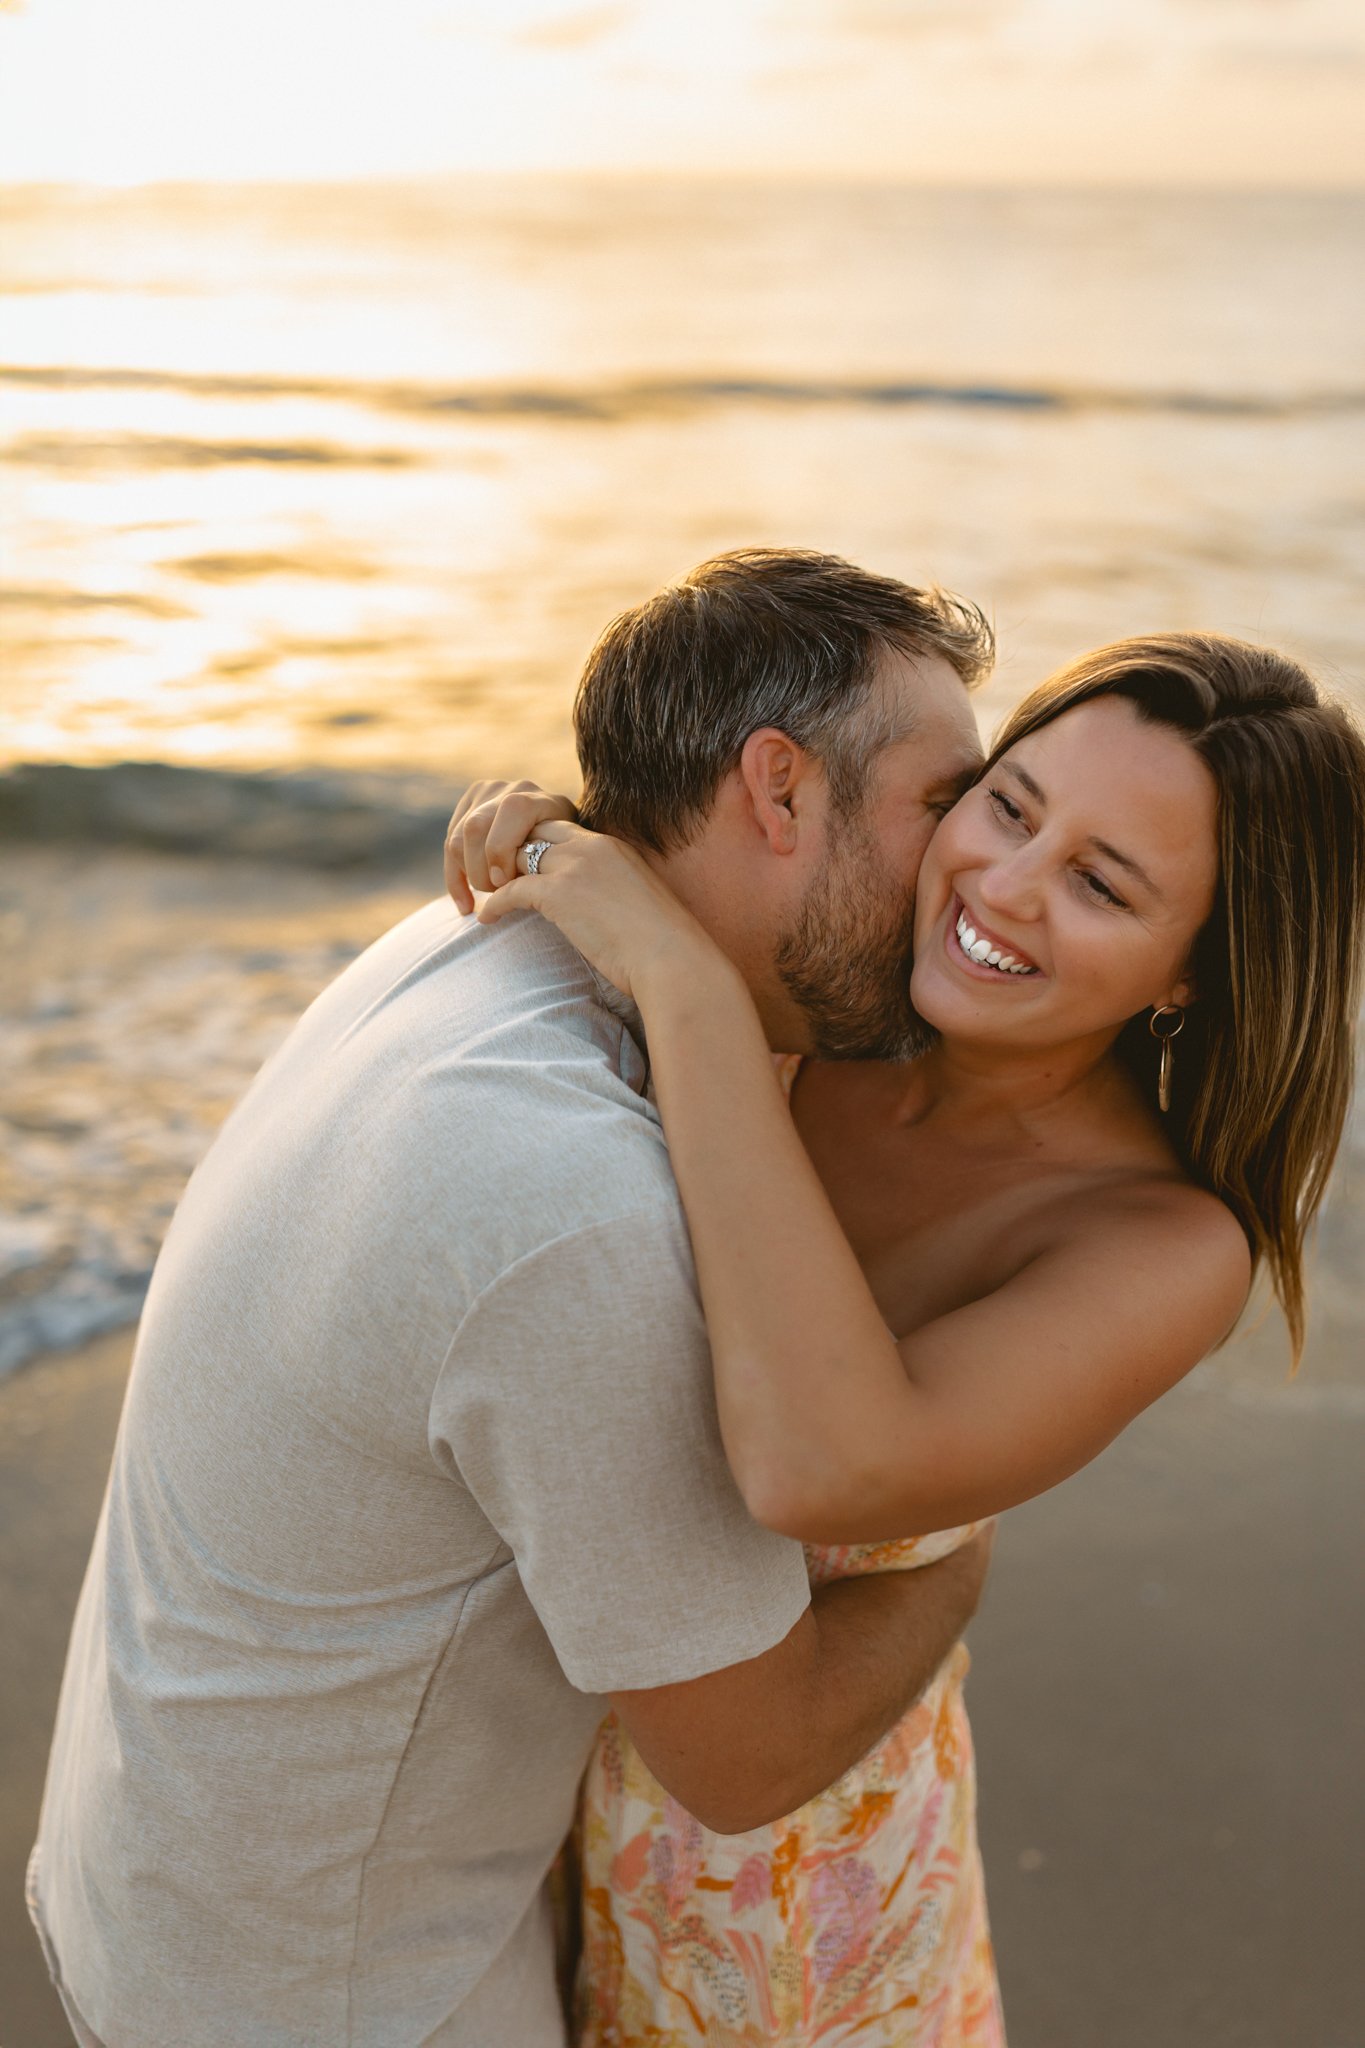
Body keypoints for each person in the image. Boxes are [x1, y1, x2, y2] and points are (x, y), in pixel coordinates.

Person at [29, 550, 1001, 2048]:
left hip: (148, 1875)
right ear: (778, 790)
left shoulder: (464, 944)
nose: (970, 865)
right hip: (323, 1999)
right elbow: (748, 1755)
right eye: (944, 802)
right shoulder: (581, 1213)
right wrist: (954, 1557)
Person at [448, 629, 1365, 2045]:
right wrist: (569, 840)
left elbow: (817, 1468)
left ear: (1192, 971)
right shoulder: (823, 988)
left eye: (1099, 883)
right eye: (1007, 805)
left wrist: (681, 985)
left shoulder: (1159, 1246)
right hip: (523, 1825)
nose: (999, 888)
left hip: (798, 1917)